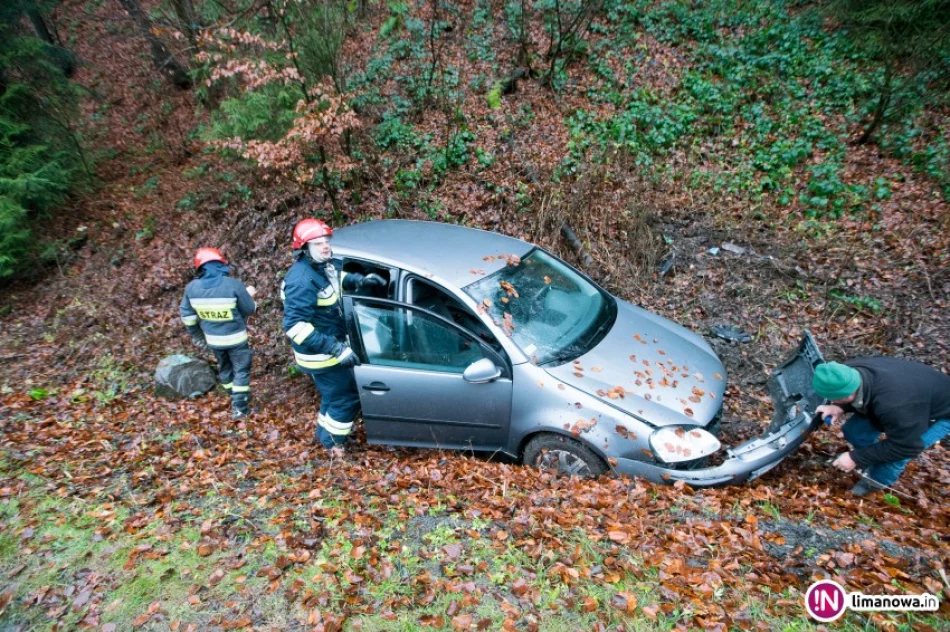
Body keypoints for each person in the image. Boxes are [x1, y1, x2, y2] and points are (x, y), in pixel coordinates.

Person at [281, 219, 386, 456]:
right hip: (321, 355)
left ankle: (324, 434)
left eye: (327, 241)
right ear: (304, 247)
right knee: (346, 396)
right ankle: (332, 445)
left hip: (330, 346)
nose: (326, 246)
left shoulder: (320, 266)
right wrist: (336, 349)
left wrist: (360, 281)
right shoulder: (301, 281)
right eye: (318, 243)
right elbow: (296, 327)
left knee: (333, 394)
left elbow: (336, 278)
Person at [814, 358, 950, 496]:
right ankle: (871, 461)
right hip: (906, 394)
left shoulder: (895, 406)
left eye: (836, 398)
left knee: (892, 459)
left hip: (940, 412)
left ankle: (873, 484)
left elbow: (906, 447)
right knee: (855, 432)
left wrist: (856, 457)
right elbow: (850, 394)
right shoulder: (843, 372)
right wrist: (838, 406)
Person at [180, 248, 257, 419]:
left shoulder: (191, 288)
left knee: (225, 368)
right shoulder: (233, 284)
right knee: (241, 370)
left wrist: (197, 336)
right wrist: (248, 295)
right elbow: (249, 309)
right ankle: (240, 407)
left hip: (213, 341)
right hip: (237, 339)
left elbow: (187, 316)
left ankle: (233, 395)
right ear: (220, 263)